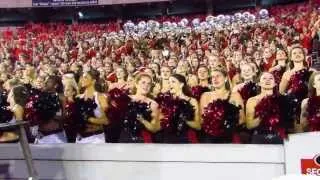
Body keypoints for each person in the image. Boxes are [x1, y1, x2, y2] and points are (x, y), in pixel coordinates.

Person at [200, 67, 244, 143]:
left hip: (230, 135)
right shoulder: (205, 95)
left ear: (226, 78)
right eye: (213, 77)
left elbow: (242, 119)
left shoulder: (235, 95)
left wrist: (227, 126)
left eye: (218, 76)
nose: (215, 79)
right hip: (211, 136)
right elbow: (202, 119)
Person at [156, 74, 201, 143]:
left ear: (181, 84)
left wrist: (184, 120)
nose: (170, 84)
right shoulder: (164, 100)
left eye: (173, 82)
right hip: (167, 137)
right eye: (169, 82)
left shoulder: (192, 101)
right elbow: (159, 122)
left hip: (185, 138)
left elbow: (198, 126)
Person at [119, 73, 160, 143]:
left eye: (149, 84)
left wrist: (143, 120)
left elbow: (154, 128)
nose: (146, 85)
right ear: (136, 84)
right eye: (143, 82)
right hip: (125, 137)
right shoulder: (126, 99)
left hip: (143, 139)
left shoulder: (154, 104)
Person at [279, 46, 312, 132]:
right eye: (294, 53)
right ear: (291, 57)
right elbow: (281, 92)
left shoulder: (312, 71)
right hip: (294, 108)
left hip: (309, 105)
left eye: (300, 53)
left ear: (304, 56)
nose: (297, 54)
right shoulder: (287, 73)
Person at [246, 72, 285, 144]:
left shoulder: (283, 99)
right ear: (259, 83)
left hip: (279, 137)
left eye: (271, 78)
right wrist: (264, 114)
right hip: (260, 138)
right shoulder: (252, 100)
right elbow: (249, 125)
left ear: (275, 83)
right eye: (264, 78)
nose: (268, 80)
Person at [76, 69, 109, 143]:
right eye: (82, 77)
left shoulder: (100, 97)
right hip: (79, 138)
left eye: (86, 77)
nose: (82, 79)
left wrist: (88, 118)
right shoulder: (79, 97)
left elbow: (105, 121)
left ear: (93, 81)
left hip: (95, 139)